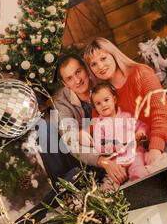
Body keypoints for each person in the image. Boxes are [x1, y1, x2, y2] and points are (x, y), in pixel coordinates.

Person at [83, 38, 167, 166]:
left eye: (103, 58)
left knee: (160, 168)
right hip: (136, 150)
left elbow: (161, 112)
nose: (100, 66)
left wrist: (155, 147)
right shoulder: (101, 93)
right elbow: (97, 127)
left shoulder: (141, 73)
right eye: (93, 64)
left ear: (113, 55)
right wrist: (82, 133)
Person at [53, 53, 128, 185]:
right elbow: (72, 144)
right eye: (70, 78)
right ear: (65, 83)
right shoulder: (61, 104)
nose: (77, 80)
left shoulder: (103, 80)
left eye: (78, 72)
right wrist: (103, 161)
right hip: (91, 160)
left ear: (86, 69)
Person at [83, 82, 149, 187]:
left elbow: (142, 126)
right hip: (115, 160)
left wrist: (141, 133)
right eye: (98, 103)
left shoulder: (126, 116)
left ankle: (141, 187)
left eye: (106, 100)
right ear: (95, 107)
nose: (103, 105)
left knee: (138, 172)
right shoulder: (98, 124)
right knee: (111, 182)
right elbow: (99, 145)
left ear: (114, 99)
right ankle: (109, 195)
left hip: (134, 154)